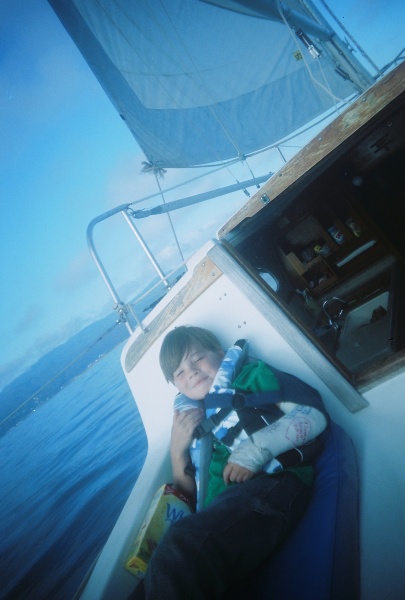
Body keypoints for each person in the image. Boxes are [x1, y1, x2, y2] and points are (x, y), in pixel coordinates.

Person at [139, 325, 329, 599]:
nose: (190, 371)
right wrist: (177, 451)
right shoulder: (191, 419)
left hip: (275, 485)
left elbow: (312, 413)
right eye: (179, 372)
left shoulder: (251, 377)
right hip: (225, 509)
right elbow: (190, 496)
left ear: (219, 351)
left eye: (197, 357)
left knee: (177, 551)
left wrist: (255, 451)